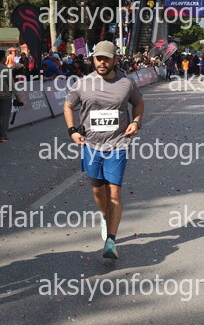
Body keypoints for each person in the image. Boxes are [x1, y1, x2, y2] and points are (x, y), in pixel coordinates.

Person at [63, 41, 144, 260]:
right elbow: (68, 105)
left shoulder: (126, 83)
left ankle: (111, 241)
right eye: (98, 58)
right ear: (93, 59)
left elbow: (138, 103)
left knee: (114, 192)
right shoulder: (83, 84)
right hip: (91, 146)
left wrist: (136, 122)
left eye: (106, 58)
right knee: (98, 191)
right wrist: (72, 131)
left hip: (118, 144)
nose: (102, 62)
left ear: (114, 60)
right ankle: (104, 215)